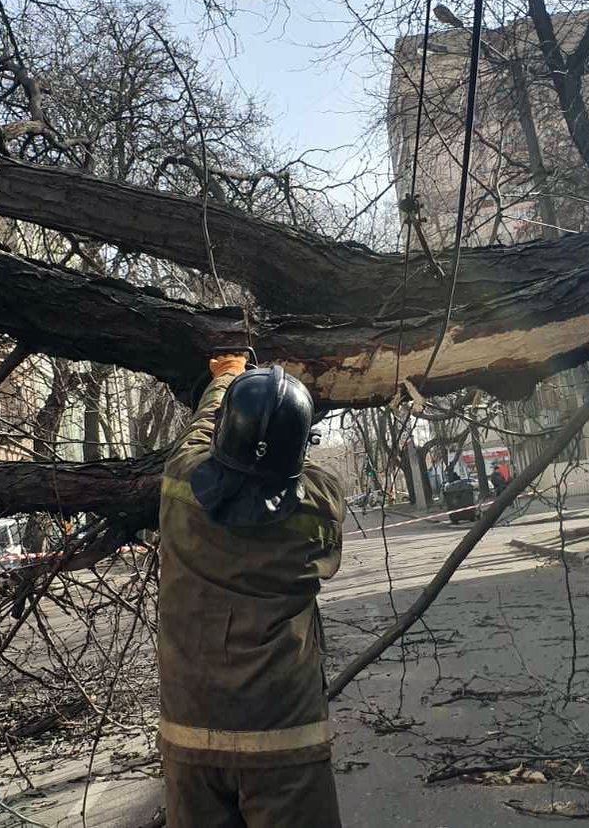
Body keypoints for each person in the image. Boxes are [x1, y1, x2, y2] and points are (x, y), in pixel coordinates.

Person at [158, 352, 345, 828]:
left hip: (190, 731)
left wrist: (225, 380)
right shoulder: (320, 509)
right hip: (284, 736)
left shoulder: (179, 484)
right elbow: (307, 473)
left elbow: (199, 432)